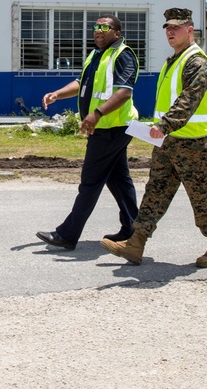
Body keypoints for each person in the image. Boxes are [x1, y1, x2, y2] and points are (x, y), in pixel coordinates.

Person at [100, 8, 207, 268]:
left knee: (201, 197)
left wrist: (165, 124)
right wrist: (158, 127)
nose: (170, 32)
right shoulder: (174, 59)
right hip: (168, 141)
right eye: (167, 28)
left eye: (176, 27)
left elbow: (189, 99)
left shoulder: (197, 62)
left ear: (190, 30)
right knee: (155, 191)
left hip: (194, 143)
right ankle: (136, 243)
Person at [35, 14, 140, 250]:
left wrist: (97, 114)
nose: (99, 30)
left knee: (90, 182)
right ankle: (133, 228)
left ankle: (67, 234)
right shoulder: (95, 54)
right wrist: (58, 94)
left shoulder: (123, 55)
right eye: (96, 27)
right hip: (105, 127)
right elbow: (81, 83)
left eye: (105, 27)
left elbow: (124, 92)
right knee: (118, 179)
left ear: (117, 33)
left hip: (112, 127)